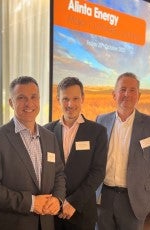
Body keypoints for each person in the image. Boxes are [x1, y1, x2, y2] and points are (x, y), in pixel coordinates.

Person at [0, 76, 66, 230]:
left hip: (46, 224)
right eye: (21, 98)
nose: (29, 103)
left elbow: (59, 174)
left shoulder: (49, 137)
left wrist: (57, 199)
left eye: (34, 97)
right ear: (11, 102)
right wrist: (31, 203)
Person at [96, 72, 150, 230]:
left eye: (132, 90)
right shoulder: (101, 121)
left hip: (133, 201)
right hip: (104, 198)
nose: (127, 95)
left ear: (139, 95)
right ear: (114, 94)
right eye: (122, 89)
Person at [44, 77, 108, 230]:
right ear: (58, 99)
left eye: (75, 98)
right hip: (52, 211)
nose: (70, 104)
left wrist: (73, 202)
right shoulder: (47, 130)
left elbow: (98, 172)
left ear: (82, 99)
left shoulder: (97, 132)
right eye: (65, 99)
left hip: (82, 210)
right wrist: (56, 201)